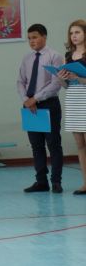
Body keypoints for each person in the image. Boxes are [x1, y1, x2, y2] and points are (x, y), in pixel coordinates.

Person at [17, 23, 64, 193]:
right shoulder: (27, 58)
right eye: (29, 38)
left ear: (44, 37)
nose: (32, 41)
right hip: (30, 106)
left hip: (48, 104)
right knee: (36, 146)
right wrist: (26, 100)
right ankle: (41, 181)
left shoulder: (55, 56)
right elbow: (20, 81)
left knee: (53, 144)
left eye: (35, 37)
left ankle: (56, 181)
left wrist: (35, 98)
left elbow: (56, 83)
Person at [56, 19, 86, 194]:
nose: (74, 36)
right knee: (80, 144)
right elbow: (66, 86)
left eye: (77, 32)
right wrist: (61, 78)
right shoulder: (67, 56)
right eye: (71, 33)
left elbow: (80, 79)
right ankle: (85, 183)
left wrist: (79, 78)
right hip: (74, 99)